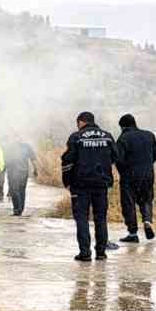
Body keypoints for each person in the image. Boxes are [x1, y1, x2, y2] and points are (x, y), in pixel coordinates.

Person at [61, 111, 115, 261]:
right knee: (101, 218)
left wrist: (67, 182)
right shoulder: (107, 136)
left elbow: (67, 161)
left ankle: (85, 253)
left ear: (80, 122)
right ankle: (101, 252)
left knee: (82, 219)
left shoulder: (76, 137)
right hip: (101, 184)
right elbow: (115, 157)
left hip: (80, 185)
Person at [113, 114, 156, 243]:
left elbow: (118, 159)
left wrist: (123, 172)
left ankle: (133, 233)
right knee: (146, 199)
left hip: (129, 176)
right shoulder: (149, 135)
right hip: (148, 175)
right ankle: (147, 220)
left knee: (129, 203)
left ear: (122, 126)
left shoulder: (123, 138)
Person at [2, 140, 37, 216]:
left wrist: (35, 169)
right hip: (23, 172)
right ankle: (20, 209)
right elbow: (33, 158)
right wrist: (35, 169)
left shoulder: (11, 147)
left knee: (15, 190)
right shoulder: (26, 146)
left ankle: (17, 209)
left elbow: (5, 159)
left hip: (14, 172)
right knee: (21, 190)